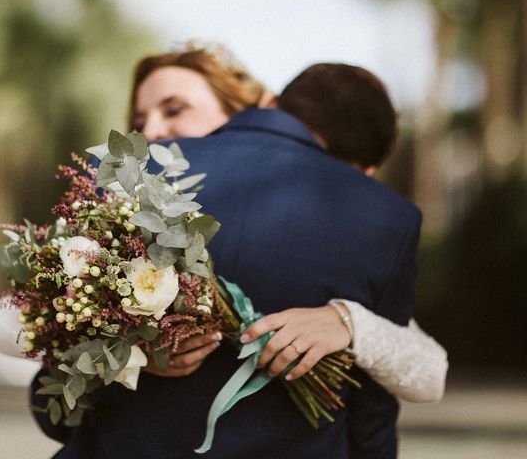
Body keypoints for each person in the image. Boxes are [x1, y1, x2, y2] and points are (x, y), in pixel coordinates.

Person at [30, 46, 444, 458]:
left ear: (270, 104)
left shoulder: (127, 180)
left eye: (173, 111)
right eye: (142, 120)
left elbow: (54, 394)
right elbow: (371, 409)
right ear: (366, 170)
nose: (153, 133)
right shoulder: (389, 217)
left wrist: (352, 325)